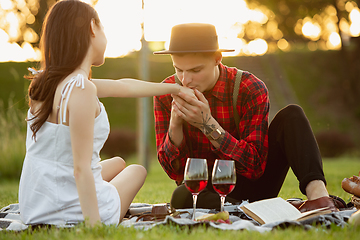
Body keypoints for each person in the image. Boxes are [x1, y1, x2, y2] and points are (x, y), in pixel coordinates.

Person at [19, 0, 194, 227]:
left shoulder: (47, 82)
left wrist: (175, 88)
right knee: (136, 170)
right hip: (67, 211)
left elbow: (123, 86)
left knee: (118, 163)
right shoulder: (81, 89)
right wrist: (94, 227)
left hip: (36, 204)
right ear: (92, 27)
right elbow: (81, 169)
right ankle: (95, 210)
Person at [153, 23, 344, 212]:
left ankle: (320, 199)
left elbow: (255, 166)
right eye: (178, 69)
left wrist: (208, 124)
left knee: (292, 115)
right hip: (204, 189)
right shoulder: (165, 93)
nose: (185, 80)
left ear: (217, 58)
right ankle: (247, 209)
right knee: (181, 197)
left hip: (253, 184)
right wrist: (175, 124)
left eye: (195, 71)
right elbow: (175, 173)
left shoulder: (249, 87)